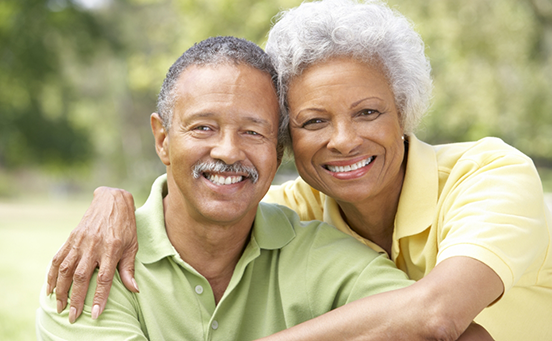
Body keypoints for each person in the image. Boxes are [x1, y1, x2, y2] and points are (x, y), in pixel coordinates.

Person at [46, 0, 552, 340]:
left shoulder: (489, 173)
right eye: (314, 120)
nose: (344, 139)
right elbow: (211, 193)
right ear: (288, 140)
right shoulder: (291, 214)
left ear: (405, 112)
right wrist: (111, 199)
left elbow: (439, 315)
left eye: (368, 112)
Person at [37, 36, 422, 340]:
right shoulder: (92, 264)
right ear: (162, 139)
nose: (228, 151)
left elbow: (445, 327)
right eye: (203, 127)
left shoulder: (324, 255)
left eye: (253, 132)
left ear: (278, 151)